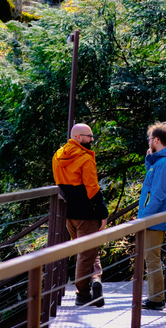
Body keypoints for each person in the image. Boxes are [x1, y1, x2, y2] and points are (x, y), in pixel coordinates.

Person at [52, 123, 109, 307]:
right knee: (86, 253)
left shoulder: (58, 156)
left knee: (89, 249)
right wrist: (103, 212)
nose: (92, 139)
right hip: (87, 214)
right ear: (78, 137)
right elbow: (92, 189)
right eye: (89, 136)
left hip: (69, 214)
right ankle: (82, 293)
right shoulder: (85, 158)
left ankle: (96, 280)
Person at [138, 122, 166, 311]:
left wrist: (144, 218)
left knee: (152, 257)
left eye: (150, 139)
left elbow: (158, 194)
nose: (148, 142)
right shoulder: (164, 161)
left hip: (155, 218)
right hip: (155, 215)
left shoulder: (164, 164)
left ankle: (156, 299)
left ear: (156, 140)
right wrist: (150, 160)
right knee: (152, 256)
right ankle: (156, 297)